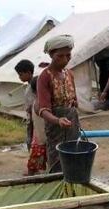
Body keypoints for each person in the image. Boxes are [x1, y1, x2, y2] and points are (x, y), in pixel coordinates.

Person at [37, 35, 80, 172]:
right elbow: (43, 110)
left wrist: (73, 108)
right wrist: (58, 120)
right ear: (51, 54)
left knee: (75, 156)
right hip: (55, 126)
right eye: (60, 56)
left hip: (72, 123)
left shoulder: (69, 74)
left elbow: (74, 101)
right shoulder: (45, 77)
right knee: (57, 159)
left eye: (68, 55)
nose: (65, 60)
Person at [25, 77, 47, 175]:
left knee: (34, 158)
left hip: (38, 134)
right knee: (38, 157)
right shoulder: (40, 103)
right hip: (42, 136)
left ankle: (32, 173)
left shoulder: (36, 102)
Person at [15, 59, 35, 151]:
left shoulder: (35, 85)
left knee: (34, 138)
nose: (19, 77)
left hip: (35, 117)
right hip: (30, 117)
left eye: (21, 74)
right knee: (30, 138)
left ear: (28, 72)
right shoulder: (29, 86)